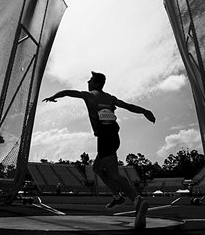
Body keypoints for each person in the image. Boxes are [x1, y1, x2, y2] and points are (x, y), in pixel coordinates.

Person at [43, 71, 156, 230]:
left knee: (114, 174)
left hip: (105, 137)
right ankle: (117, 196)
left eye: (90, 80)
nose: (88, 83)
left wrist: (54, 95)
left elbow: (68, 92)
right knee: (97, 167)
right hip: (112, 136)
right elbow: (128, 106)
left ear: (96, 83)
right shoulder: (110, 98)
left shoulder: (89, 95)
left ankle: (138, 200)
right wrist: (145, 111)